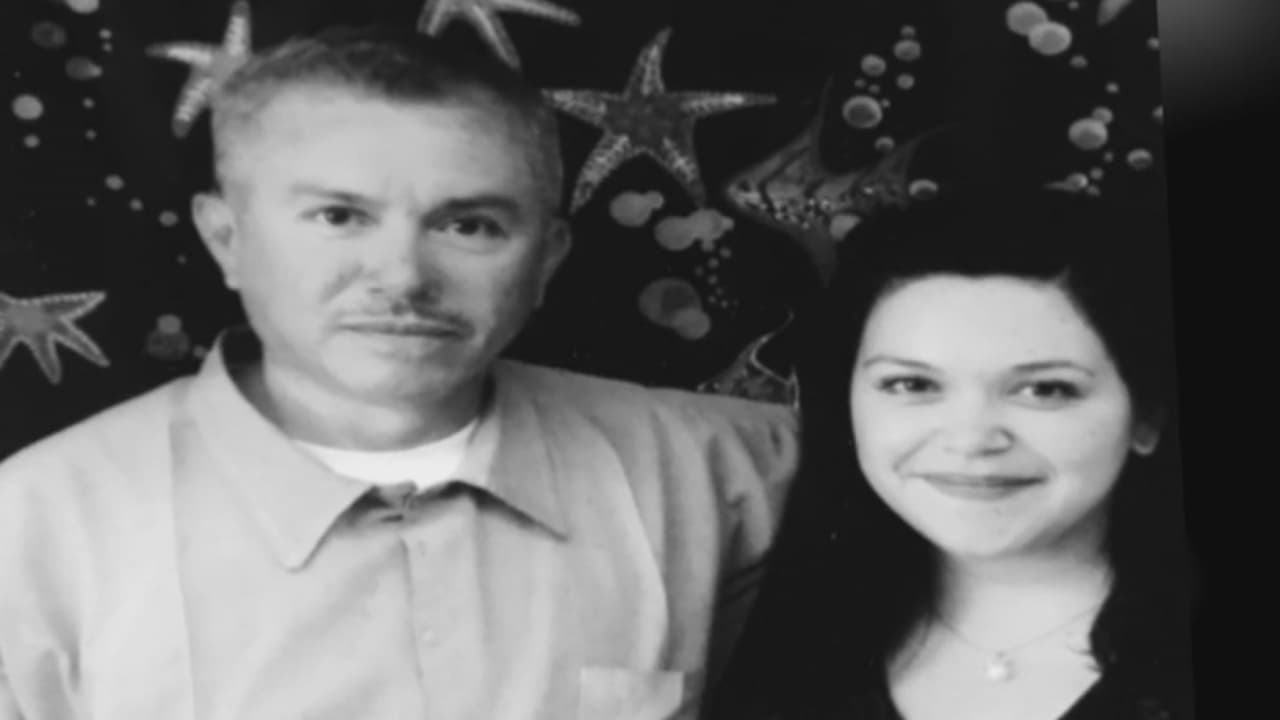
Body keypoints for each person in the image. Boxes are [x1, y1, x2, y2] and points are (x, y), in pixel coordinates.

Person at [0, 26, 798, 720]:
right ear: (226, 238)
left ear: (547, 258)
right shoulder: (33, 530)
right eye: (339, 216)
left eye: (469, 225)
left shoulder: (725, 470)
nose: (404, 277)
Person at [708, 184, 1194, 719]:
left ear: (1147, 417)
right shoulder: (768, 638)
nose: (970, 440)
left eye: (1044, 389)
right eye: (911, 385)